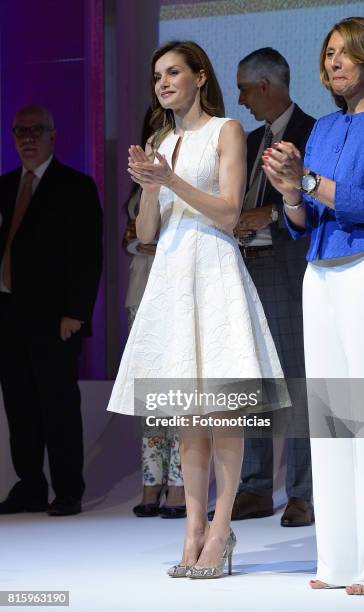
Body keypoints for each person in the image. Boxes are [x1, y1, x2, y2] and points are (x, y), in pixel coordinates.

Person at [107, 40, 288, 578]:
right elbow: (146, 235)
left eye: (173, 73)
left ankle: (221, 527)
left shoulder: (225, 132)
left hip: (214, 268)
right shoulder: (161, 140)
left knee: (223, 410)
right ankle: (192, 530)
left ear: (199, 76)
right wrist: (147, 188)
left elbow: (230, 211)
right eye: (156, 76)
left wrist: (171, 180)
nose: (162, 83)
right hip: (172, 275)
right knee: (189, 412)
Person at [263, 16, 364, 596]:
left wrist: (306, 181)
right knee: (335, 423)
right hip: (322, 270)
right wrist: (291, 192)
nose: (334, 63)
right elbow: (301, 221)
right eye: (328, 54)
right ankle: (339, 561)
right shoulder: (325, 128)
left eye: (345, 53)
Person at [225, 48, 315, 526]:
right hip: (244, 268)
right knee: (251, 378)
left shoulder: (316, 132)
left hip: (287, 266)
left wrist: (273, 214)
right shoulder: (250, 140)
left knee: (297, 379)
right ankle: (256, 487)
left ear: (264, 86)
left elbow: (322, 201)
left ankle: (302, 492)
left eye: (243, 88)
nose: (239, 99)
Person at [0, 104, 103, 516]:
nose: (27, 138)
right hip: (7, 315)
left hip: (55, 319)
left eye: (36, 130)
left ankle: (67, 489)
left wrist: (76, 311)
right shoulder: (4, 186)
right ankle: (29, 485)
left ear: (53, 136)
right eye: (19, 131)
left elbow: (86, 256)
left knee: (57, 406)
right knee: (19, 406)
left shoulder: (75, 187)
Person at [123, 148, 186, 519]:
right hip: (141, 288)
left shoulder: (190, 167)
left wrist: (150, 241)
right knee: (150, 395)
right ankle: (151, 479)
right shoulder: (142, 177)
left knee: (179, 391)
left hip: (177, 286)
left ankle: (179, 484)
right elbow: (132, 236)